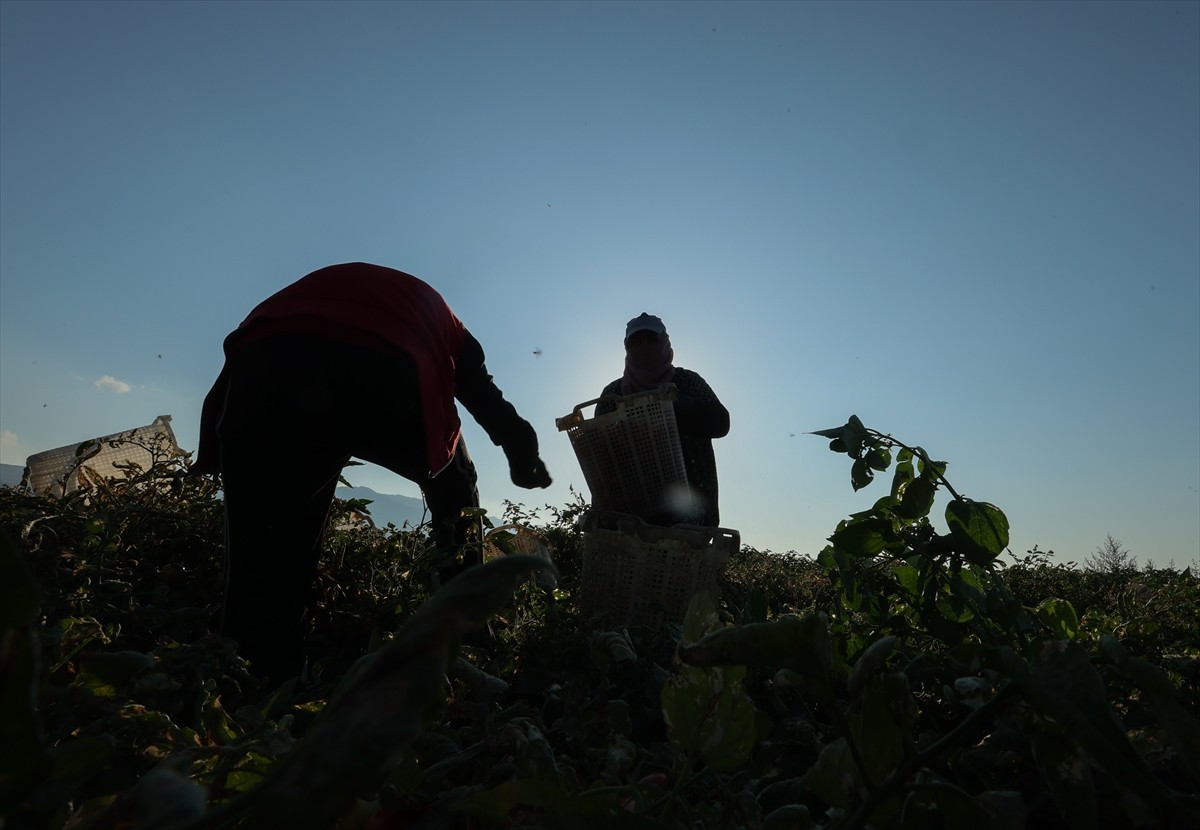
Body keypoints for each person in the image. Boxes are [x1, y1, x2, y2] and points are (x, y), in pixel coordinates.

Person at [193, 262, 551, 683]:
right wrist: (524, 454)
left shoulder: (348, 288)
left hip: (259, 364)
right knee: (458, 481)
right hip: (379, 362)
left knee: (262, 547)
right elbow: (483, 396)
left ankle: (249, 678)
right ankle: (466, 623)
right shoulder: (448, 326)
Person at [596, 313, 729, 527]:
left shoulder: (687, 382)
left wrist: (681, 403)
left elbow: (721, 424)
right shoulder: (613, 394)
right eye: (636, 342)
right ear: (627, 347)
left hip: (689, 510)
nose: (644, 346)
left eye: (651, 339)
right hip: (629, 514)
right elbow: (600, 452)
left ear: (664, 343)